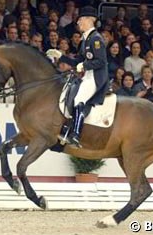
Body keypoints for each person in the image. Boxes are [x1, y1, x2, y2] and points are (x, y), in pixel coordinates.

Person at [46, 6, 108, 148]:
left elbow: (101, 61)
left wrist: (85, 66)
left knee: (79, 99)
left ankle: (75, 134)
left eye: (80, 19)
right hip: (87, 76)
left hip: (96, 78)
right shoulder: (85, 40)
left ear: (88, 20)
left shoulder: (96, 39)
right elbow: (77, 62)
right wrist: (61, 56)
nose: (78, 22)